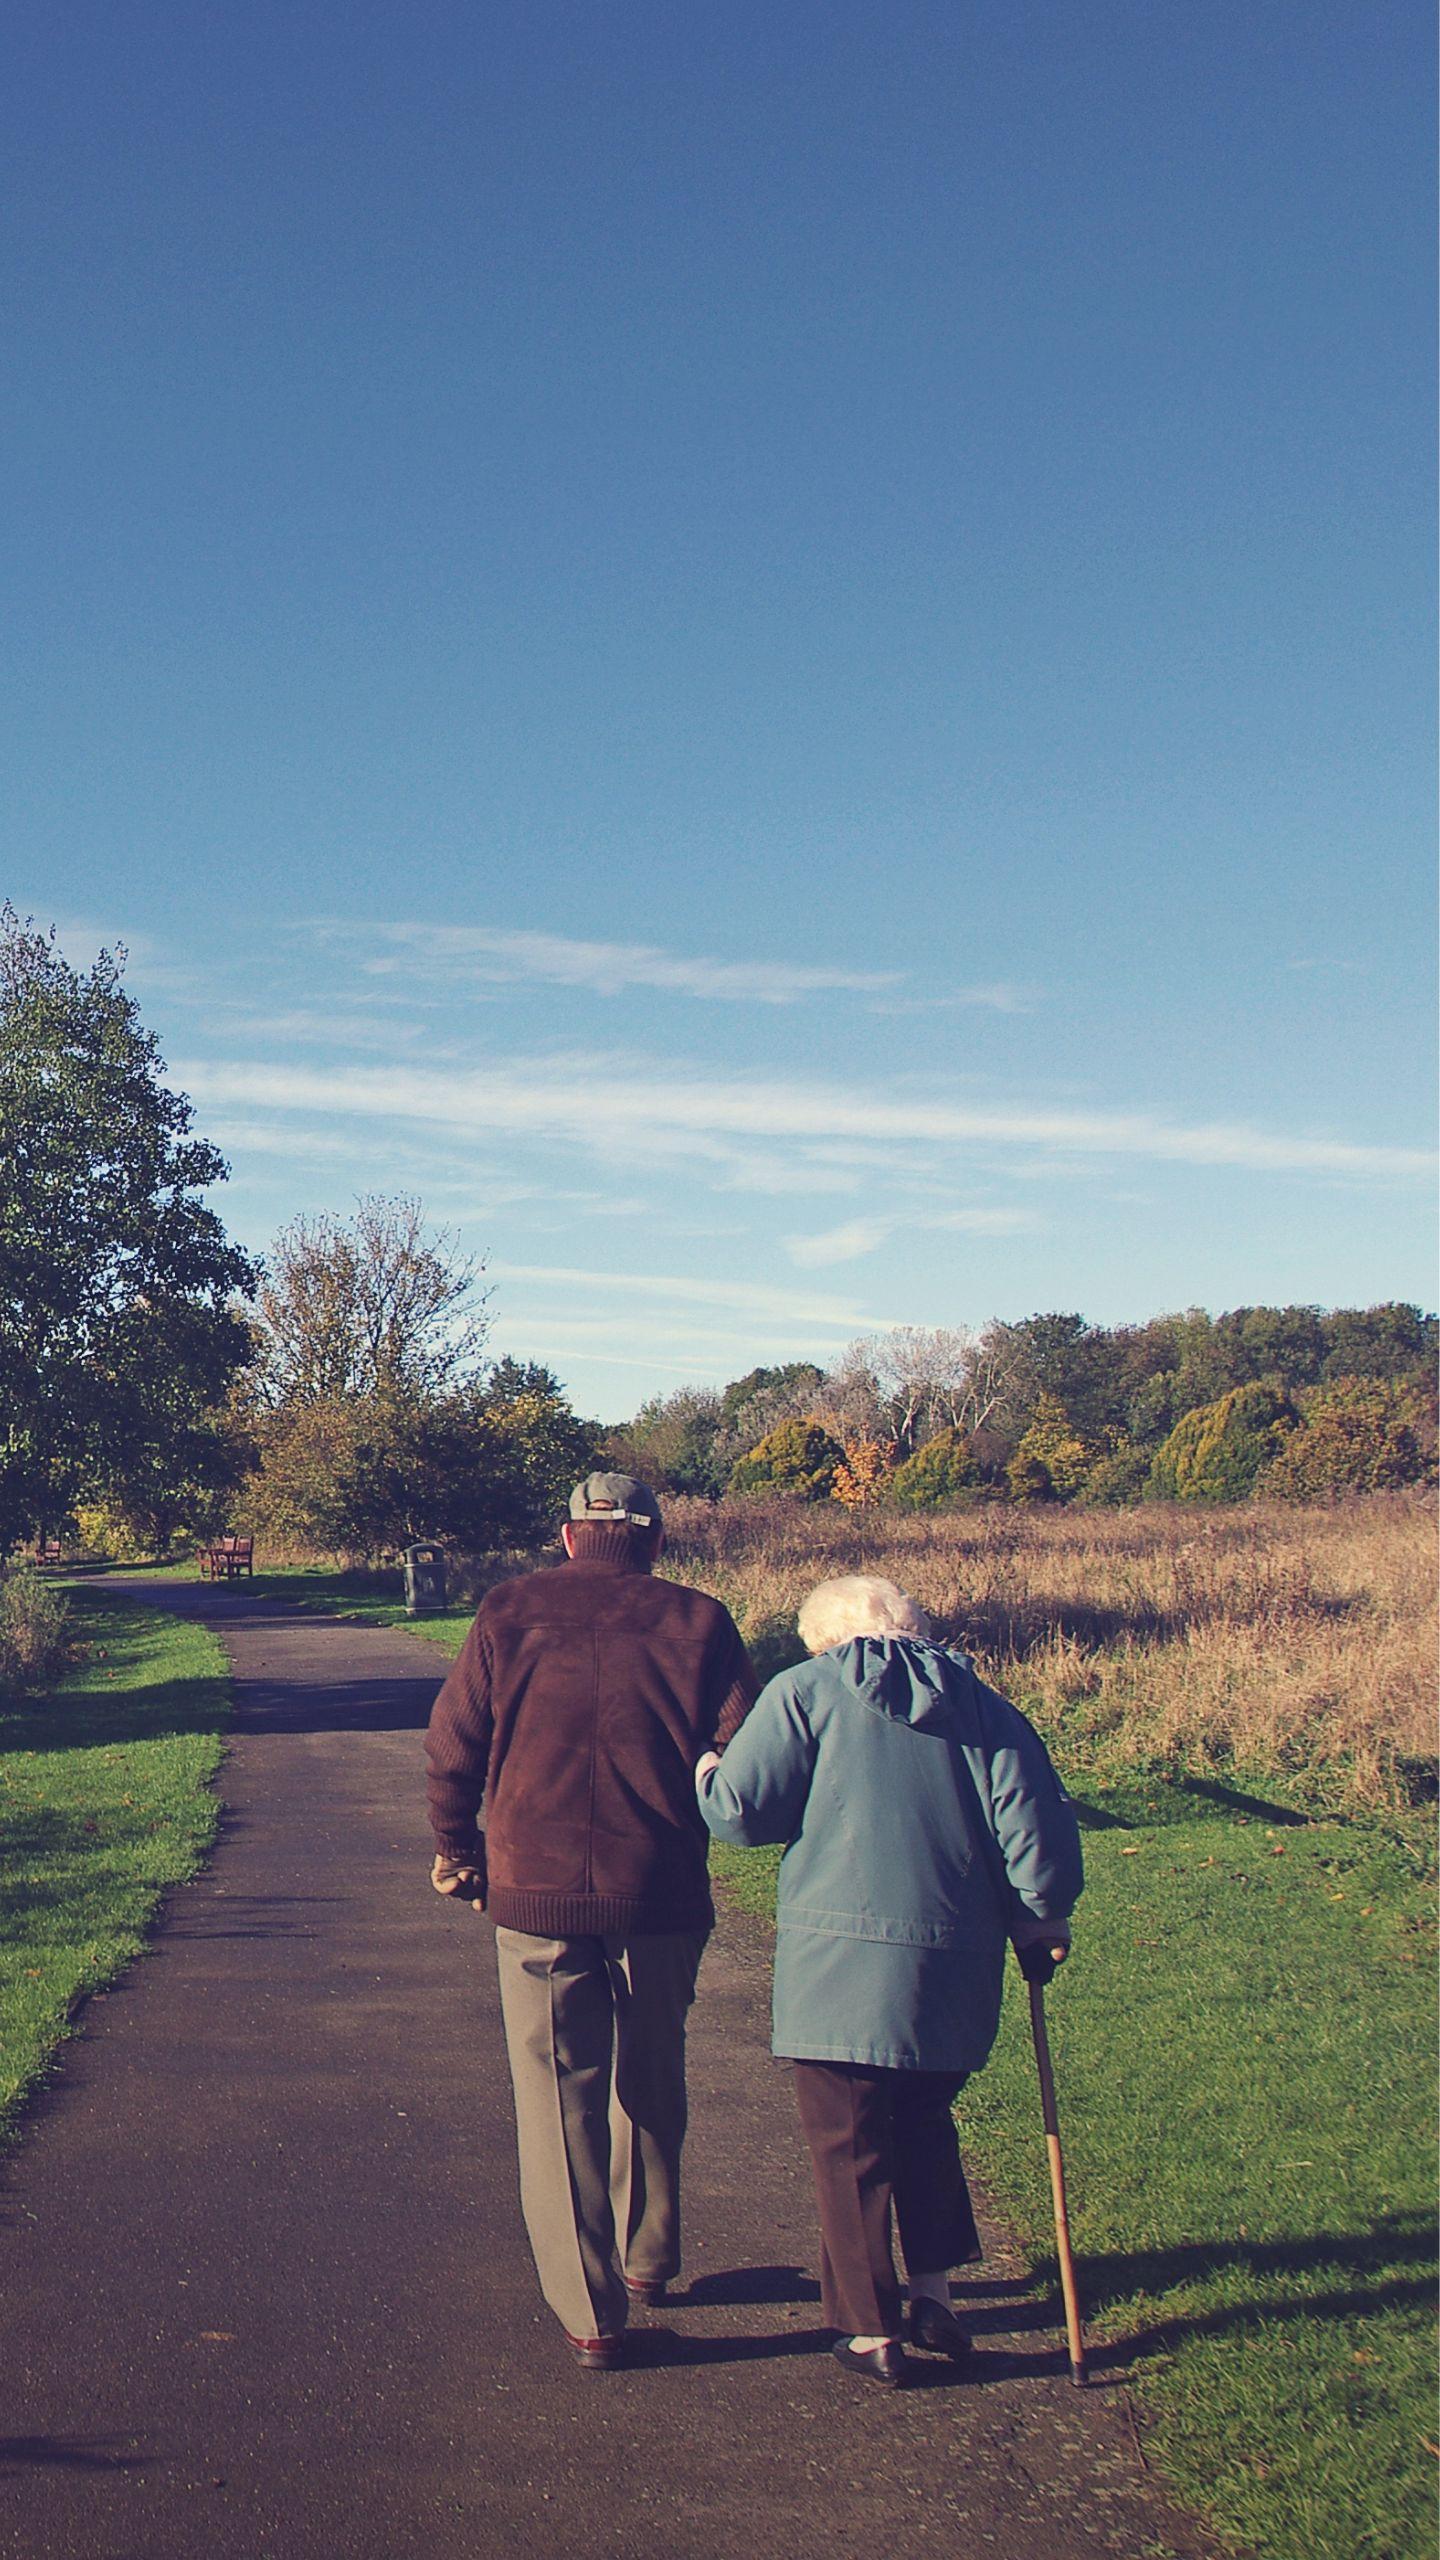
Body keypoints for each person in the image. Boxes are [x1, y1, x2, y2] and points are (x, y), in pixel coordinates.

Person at [695, 1571, 1082, 2389]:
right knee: (924, 2122)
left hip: (838, 1965)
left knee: (848, 2141)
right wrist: (1043, 1916)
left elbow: (740, 1812)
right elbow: (1034, 1831)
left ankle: (870, 2330)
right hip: (955, 1963)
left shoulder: (805, 1691)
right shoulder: (985, 1704)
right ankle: (934, 2293)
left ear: (825, 1639)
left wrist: (704, 1771)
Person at [425, 1472, 757, 2369]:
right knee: (653, 2068)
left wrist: (459, 1851)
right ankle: (649, 2256)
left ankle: (591, 2313)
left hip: (533, 1889)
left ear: (570, 1535)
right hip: (661, 1887)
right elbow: (742, 1752)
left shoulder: (508, 1610)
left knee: (556, 2095)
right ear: (655, 1539)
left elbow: (453, 1743)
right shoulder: (700, 1621)